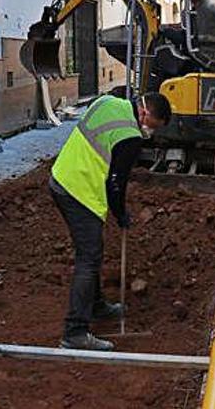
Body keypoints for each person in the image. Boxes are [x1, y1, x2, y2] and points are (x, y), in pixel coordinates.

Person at [50, 92, 172, 350]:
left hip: (61, 177)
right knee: (89, 257)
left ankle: (96, 306)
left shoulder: (108, 101)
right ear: (145, 114)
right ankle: (75, 332)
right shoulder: (130, 136)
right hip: (79, 190)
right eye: (152, 126)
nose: (149, 131)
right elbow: (116, 183)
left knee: (91, 251)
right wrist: (120, 214)